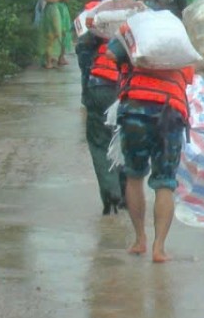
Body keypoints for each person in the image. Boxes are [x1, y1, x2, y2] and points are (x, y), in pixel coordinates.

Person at [106, 25, 194, 262]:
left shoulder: (133, 28)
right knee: (165, 182)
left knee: (134, 177)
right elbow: (189, 76)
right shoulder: (177, 36)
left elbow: (111, 54)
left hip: (135, 109)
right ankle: (159, 248)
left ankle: (139, 240)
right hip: (170, 112)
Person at [78, 13, 127, 215]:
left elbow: (84, 62)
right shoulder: (130, 33)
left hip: (99, 86)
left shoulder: (94, 35)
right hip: (125, 89)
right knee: (124, 140)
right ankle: (126, 194)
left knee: (100, 143)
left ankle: (111, 193)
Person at [37, 0, 66, 68]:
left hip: (46, 28)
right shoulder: (54, 8)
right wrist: (57, 30)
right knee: (50, 45)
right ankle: (49, 63)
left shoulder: (46, 6)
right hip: (53, 29)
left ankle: (48, 61)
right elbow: (55, 21)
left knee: (48, 45)